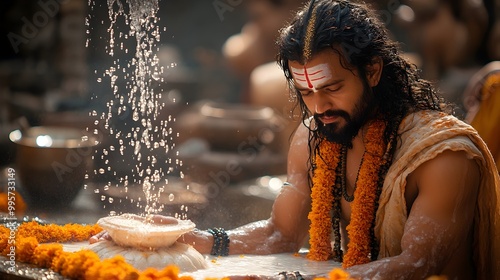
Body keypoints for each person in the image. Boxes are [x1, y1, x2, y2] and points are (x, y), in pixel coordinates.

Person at [91, 1, 500, 279]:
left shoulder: (443, 158)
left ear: (373, 71)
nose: (319, 107)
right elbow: (278, 235)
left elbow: (415, 265)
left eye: (333, 87)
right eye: (305, 93)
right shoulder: (312, 139)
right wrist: (187, 240)